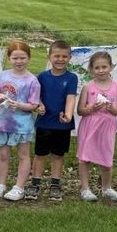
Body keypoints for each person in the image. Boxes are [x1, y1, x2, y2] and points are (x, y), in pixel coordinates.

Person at [0, 41, 41, 201]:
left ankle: (19, 187)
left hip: (22, 125)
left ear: (29, 58)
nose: (19, 61)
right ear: (9, 59)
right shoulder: (3, 75)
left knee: (23, 155)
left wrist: (18, 105)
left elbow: (34, 105)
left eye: (22, 58)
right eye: (15, 58)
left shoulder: (32, 81)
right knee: (3, 154)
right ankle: (0, 184)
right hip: (3, 122)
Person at [29, 40, 78, 201]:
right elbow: (36, 97)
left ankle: (55, 185)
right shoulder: (42, 76)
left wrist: (69, 116)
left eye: (64, 56)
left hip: (62, 125)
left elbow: (71, 98)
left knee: (58, 155)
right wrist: (39, 106)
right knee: (40, 154)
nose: (60, 59)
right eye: (57, 56)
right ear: (49, 57)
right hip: (44, 122)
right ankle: (35, 184)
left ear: (70, 58)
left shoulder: (71, 78)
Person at [76, 50, 117, 201]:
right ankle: (85, 189)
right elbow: (80, 110)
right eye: (97, 68)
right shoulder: (88, 86)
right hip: (89, 125)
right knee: (85, 158)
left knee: (106, 157)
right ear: (91, 69)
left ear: (111, 67)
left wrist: (113, 109)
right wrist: (91, 109)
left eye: (104, 67)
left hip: (107, 127)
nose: (101, 71)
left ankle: (106, 188)